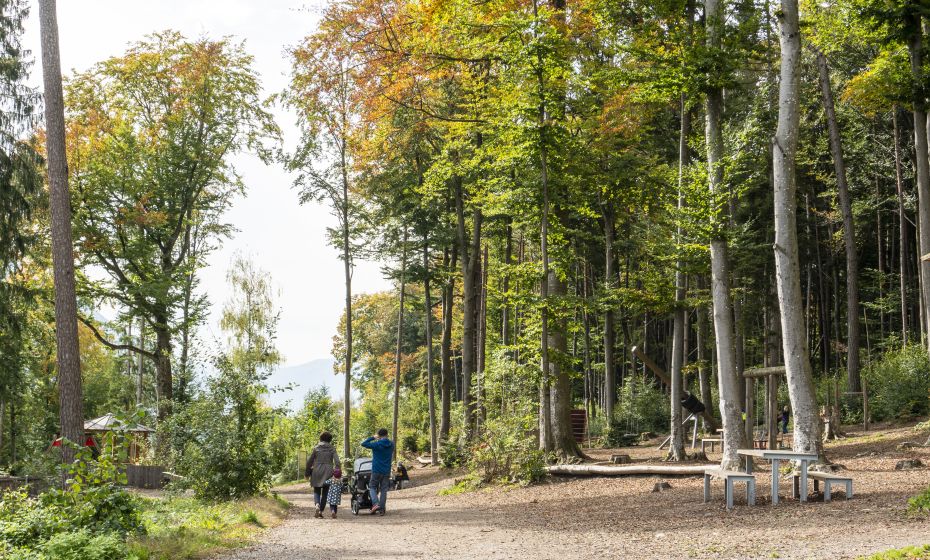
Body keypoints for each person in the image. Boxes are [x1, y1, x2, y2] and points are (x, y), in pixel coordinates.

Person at [306, 431, 340, 519]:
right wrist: (337, 473)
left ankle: (317, 505)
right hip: (328, 471)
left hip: (317, 470)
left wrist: (307, 473)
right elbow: (337, 462)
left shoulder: (316, 448)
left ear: (320, 438)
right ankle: (320, 511)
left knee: (316, 490)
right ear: (330, 440)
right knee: (325, 492)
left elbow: (309, 461)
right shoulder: (332, 448)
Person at [361, 428, 394, 515]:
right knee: (384, 490)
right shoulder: (391, 444)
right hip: (386, 470)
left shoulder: (376, 444)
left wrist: (373, 437)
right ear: (387, 434)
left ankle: (376, 504)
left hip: (376, 470)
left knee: (372, 487)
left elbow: (363, 444)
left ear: (379, 435)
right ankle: (382, 510)